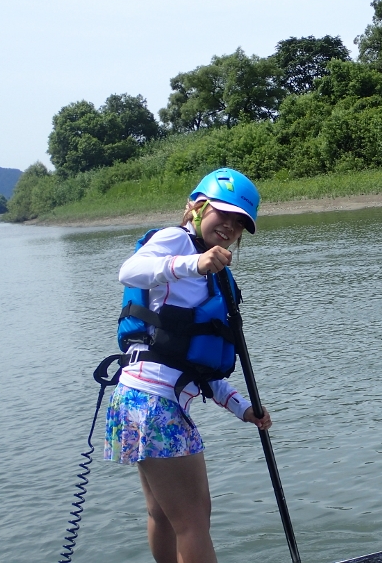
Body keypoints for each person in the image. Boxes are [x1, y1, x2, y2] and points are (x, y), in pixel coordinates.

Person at [104, 167, 271, 563]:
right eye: (222, 214)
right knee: (194, 521)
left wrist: (242, 408)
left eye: (239, 223)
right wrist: (190, 265)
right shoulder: (177, 240)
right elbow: (128, 270)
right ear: (197, 208)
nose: (229, 226)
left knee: (163, 514)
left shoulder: (214, 272)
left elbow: (193, 361)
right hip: (156, 405)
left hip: (137, 398)